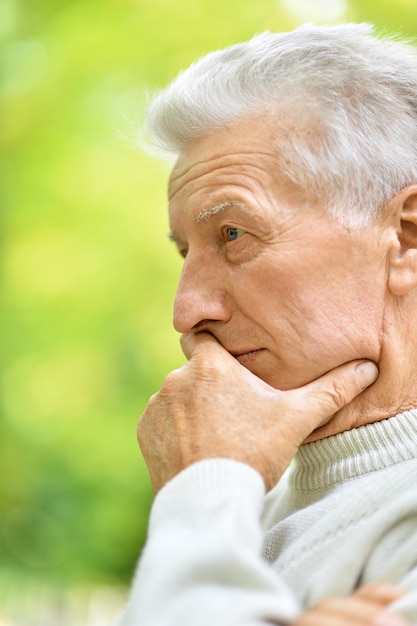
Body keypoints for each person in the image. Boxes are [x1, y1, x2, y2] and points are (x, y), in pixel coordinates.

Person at [117, 23, 417, 625]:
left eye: (233, 234)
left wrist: (201, 491)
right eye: (185, 252)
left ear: (406, 237)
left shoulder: (212, 497)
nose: (186, 310)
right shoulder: (238, 499)